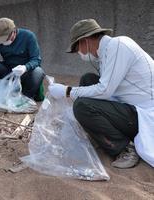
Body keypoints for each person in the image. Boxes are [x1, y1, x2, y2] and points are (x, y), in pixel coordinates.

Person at [48, 19, 154, 169]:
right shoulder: (108, 51)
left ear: (85, 41)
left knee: (82, 106)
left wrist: (67, 91)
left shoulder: (118, 46)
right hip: (131, 107)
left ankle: (125, 148)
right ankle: (102, 132)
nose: (79, 53)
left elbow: (105, 90)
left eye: (77, 48)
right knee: (88, 79)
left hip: (145, 116)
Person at [0, 17, 45, 101]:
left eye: (6, 38)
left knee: (38, 72)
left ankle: (25, 97)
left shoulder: (28, 36)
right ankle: (2, 91)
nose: (3, 42)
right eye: (1, 39)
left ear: (14, 31)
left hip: (26, 72)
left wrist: (25, 67)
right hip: (9, 70)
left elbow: (36, 59)